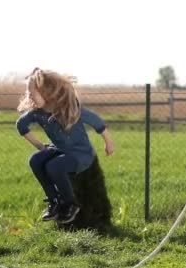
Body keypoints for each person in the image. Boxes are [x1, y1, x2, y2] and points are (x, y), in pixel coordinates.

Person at [16, 68, 115, 224]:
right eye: (28, 93)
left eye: (32, 92)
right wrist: (41, 146)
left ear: (48, 92)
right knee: (35, 160)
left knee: (54, 166)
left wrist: (108, 143)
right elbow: (21, 126)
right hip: (59, 150)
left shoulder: (70, 109)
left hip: (80, 155)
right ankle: (54, 201)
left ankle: (70, 204)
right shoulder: (37, 113)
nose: (29, 96)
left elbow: (98, 123)